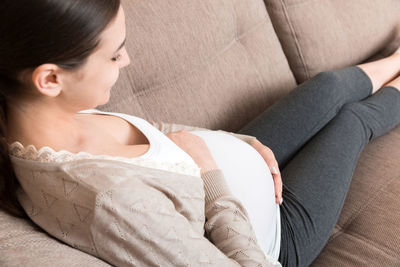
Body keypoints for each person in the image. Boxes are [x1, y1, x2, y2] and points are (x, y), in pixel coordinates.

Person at [1, 0, 400, 266]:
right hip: (276, 234)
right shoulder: (110, 203)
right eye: (113, 53)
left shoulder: (48, 113)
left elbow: (158, 134)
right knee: (351, 122)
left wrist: (245, 145)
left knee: (327, 88)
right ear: (50, 78)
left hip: (236, 170)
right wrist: (211, 174)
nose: (127, 60)